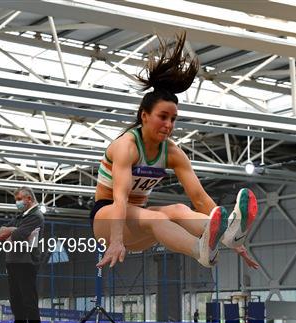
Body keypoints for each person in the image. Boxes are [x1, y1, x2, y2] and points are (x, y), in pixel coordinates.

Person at [92, 32, 259, 270]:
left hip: (139, 221)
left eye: (173, 119)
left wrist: (231, 241)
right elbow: (120, 198)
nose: (168, 125)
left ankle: (230, 232)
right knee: (158, 217)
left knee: (179, 209)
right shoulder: (126, 147)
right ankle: (199, 250)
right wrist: (116, 242)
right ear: (144, 116)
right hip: (108, 220)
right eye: (163, 117)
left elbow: (199, 198)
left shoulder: (171, 152)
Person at [0, 186, 44, 323]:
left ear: (29, 199)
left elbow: (19, 235)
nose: (17, 203)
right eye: (16, 200)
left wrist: (12, 231)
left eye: (19, 199)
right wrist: (12, 230)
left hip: (26, 263)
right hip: (13, 262)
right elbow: (2, 230)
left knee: (29, 302)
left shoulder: (36, 216)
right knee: (16, 303)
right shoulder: (21, 216)